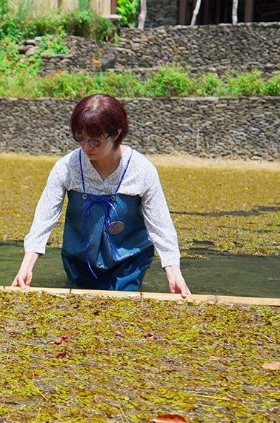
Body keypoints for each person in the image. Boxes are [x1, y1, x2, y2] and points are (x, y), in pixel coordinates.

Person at [11, 94, 190, 295]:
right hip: (80, 259)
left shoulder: (141, 170)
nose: (86, 147)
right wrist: (26, 265)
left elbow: (161, 226)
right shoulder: (67, 167)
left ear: (116, 134)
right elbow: (44, 218)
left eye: (95, 141)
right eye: (80, 138)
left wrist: (174, 272)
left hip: (127, 262)